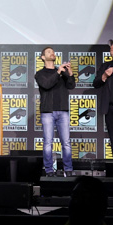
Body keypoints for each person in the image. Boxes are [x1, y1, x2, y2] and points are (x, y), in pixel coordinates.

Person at [35, 46, 76, 177]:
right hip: (47, 111)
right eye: (49, 52)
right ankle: (49, 170)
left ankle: (68, 170)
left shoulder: (62, 72)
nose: (52, 53)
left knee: (66, 142)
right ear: (43, 57)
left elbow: (71, 85)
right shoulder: (40, 74)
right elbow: (46, 85)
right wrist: (58, 71)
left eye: (53, 51)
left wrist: (70, 73)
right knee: (48, 142)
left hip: (63, 111)